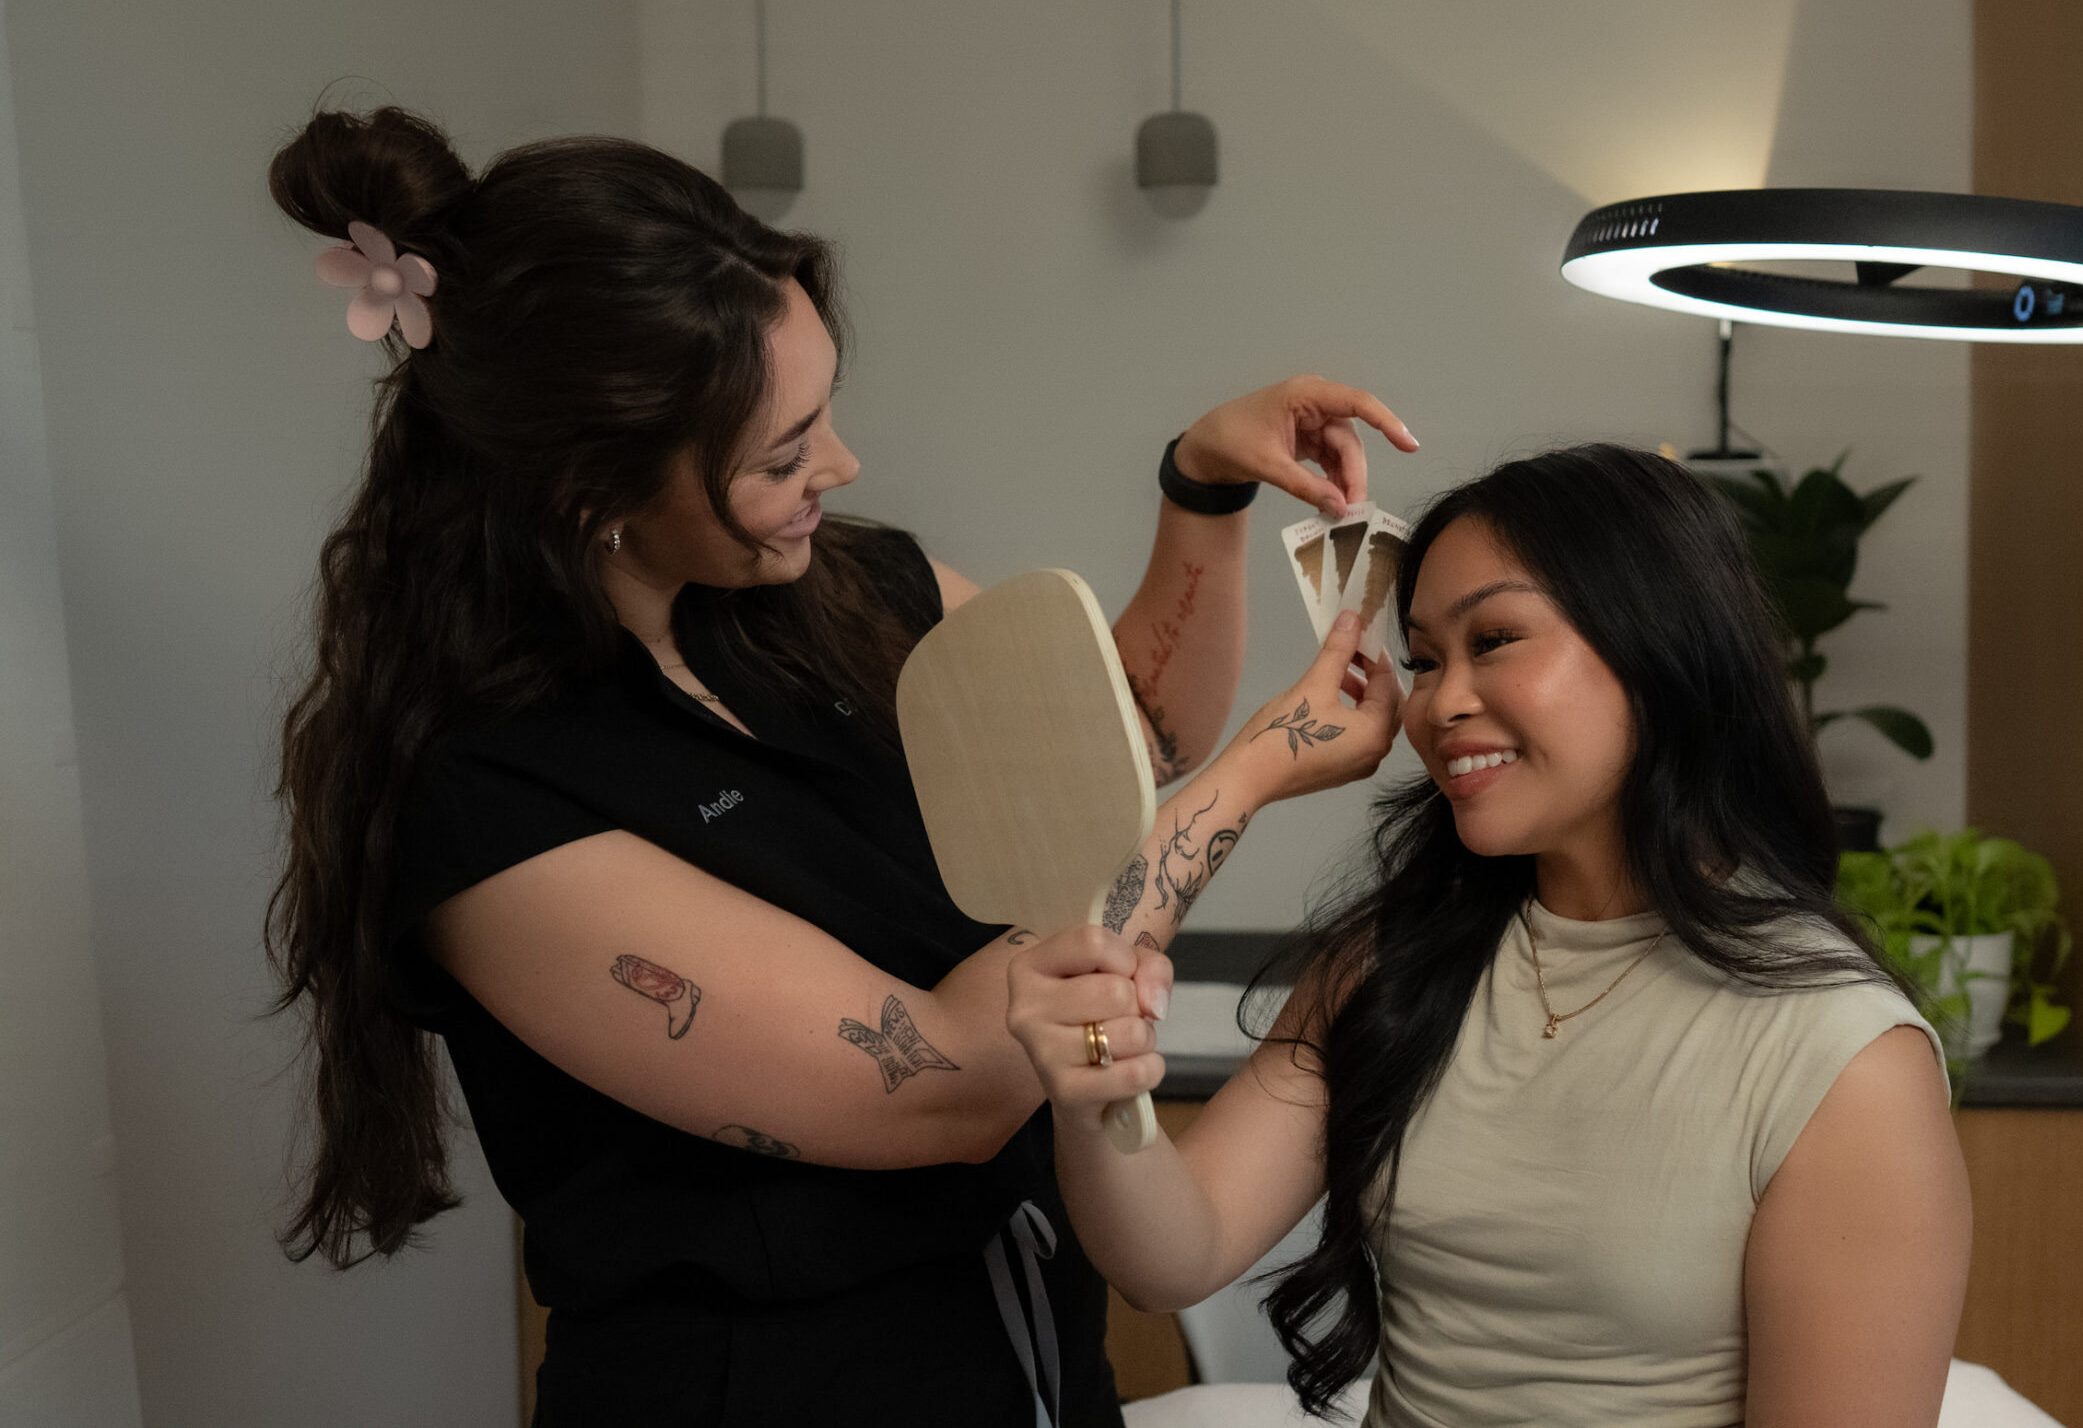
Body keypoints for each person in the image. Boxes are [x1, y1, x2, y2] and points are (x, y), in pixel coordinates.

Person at [262, 105, 1417, 1426]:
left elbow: (1131, 745)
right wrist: (1259, 772)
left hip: (1032, 1359)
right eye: (781, 451)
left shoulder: (841, 587)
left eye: (825, 412)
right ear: (588, 490)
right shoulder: (489, 804)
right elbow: (949, 1086)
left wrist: (1203, 485)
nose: (843, 465)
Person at [1007, 444, 1973, 1428]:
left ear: (1661, 645)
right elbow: (1174, 1256)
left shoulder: (1844, 1060)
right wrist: (1095, 1099)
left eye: (1495, 638)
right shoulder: (1397, 961)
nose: (1440, 702)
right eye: (1424, 659)